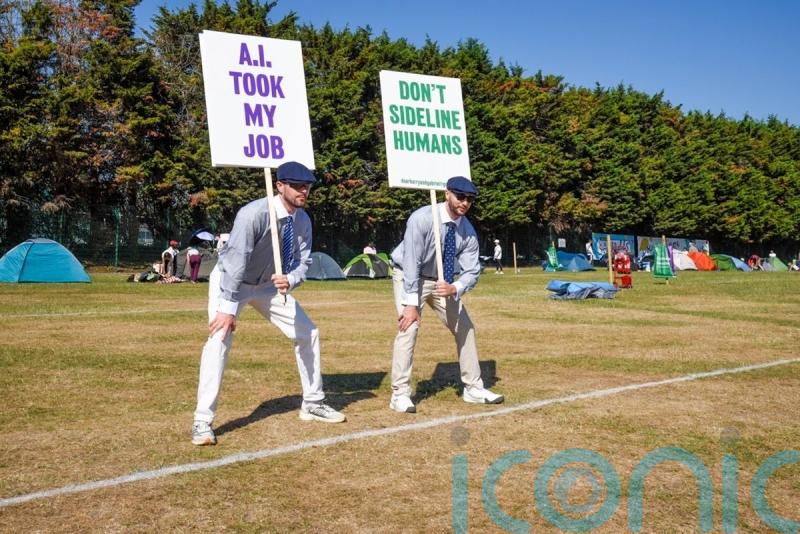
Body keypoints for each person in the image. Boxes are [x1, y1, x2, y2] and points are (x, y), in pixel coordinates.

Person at [191, 161, 345, 446]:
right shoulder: (253, 214)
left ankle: (312, 403)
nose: (304, 191)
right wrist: (226, 309)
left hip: (268, 287)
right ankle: (202, 420)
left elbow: (304, 261)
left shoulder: (303, 220)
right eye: (298, 186)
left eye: (307, 186)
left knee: (307, 332)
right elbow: (235, 262)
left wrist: (292, 279)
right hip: (231, 283)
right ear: (279, 186)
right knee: (219, 339)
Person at [389, 176, 504, 414]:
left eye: (470, 199)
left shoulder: (468, 231)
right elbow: (411, 261)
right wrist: (411, 303)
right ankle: (399, 394)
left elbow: (472, 270)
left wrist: (455, 288)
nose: (465, 203)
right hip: (410, 275)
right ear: (447, 194)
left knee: (465, 327)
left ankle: (473, 388)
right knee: (408, 328)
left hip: (442, 282)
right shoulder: (421, 219)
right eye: (460, 197)